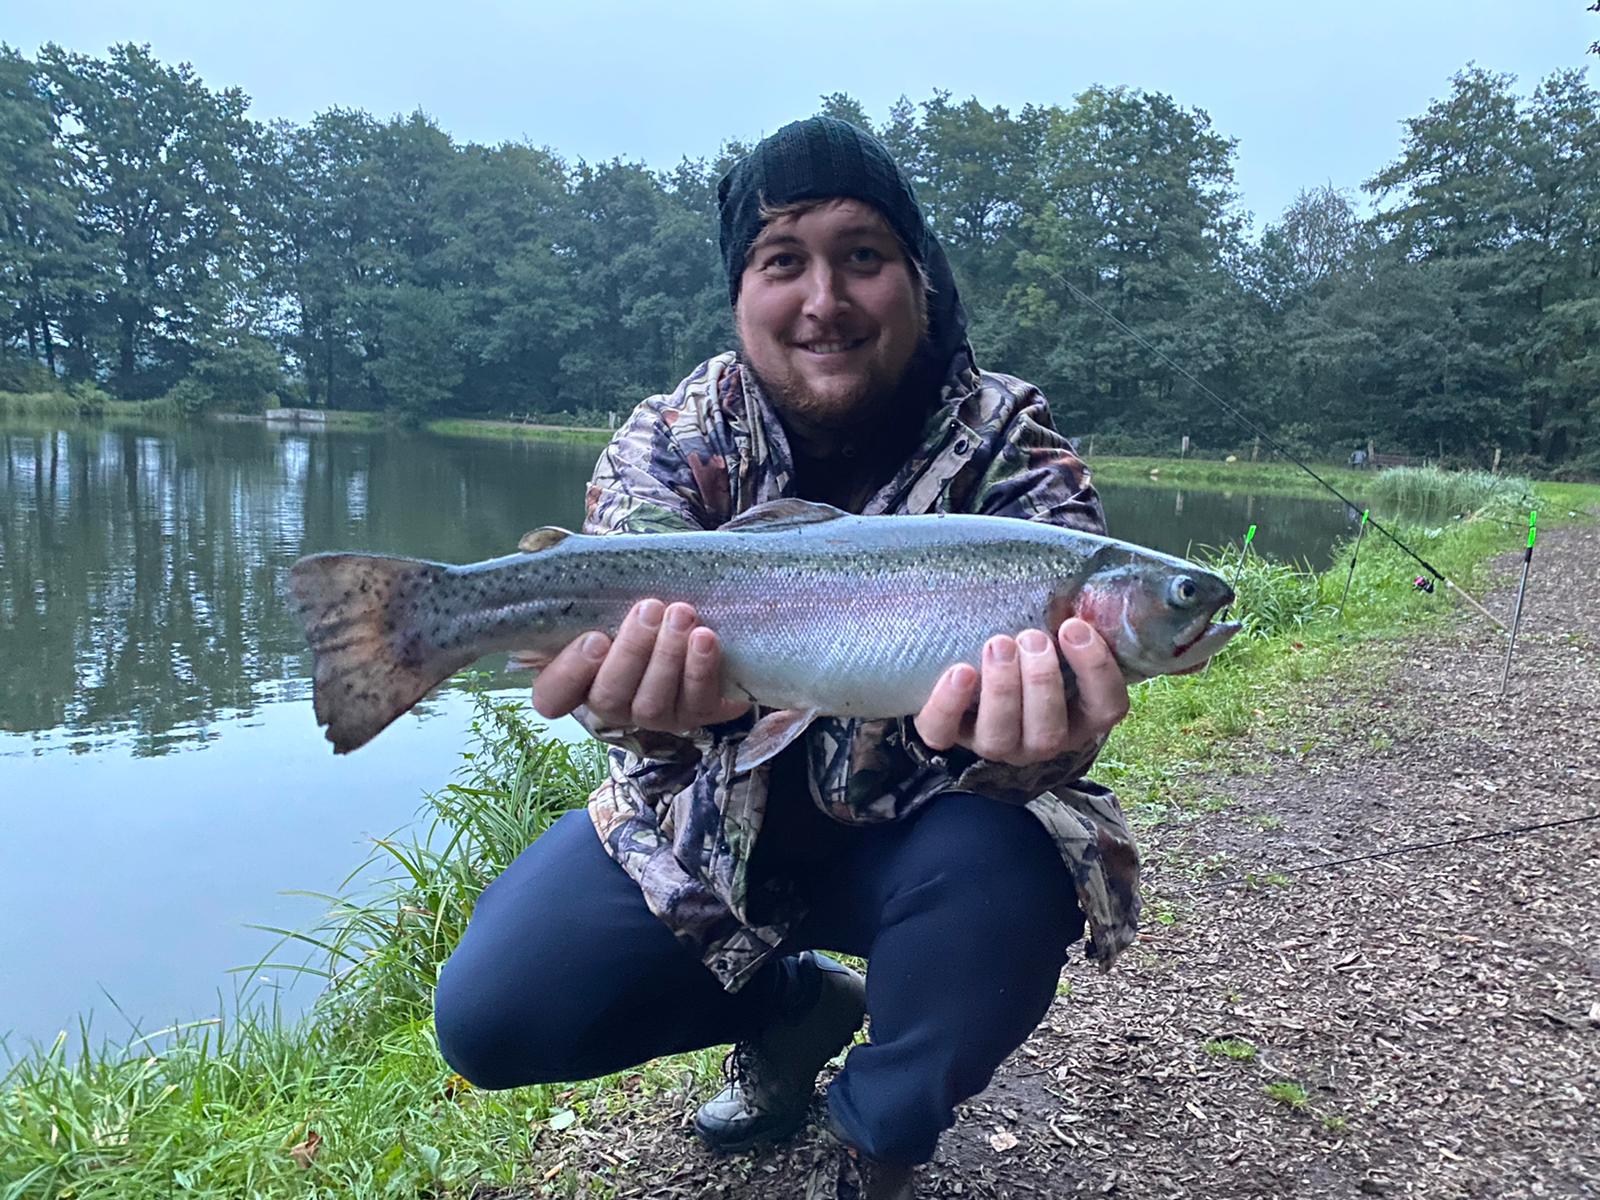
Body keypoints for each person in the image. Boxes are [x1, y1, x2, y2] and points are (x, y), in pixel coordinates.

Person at [434, 116, 1141, 1200]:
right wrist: (628, 705)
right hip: (708, 822)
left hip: (937, 833)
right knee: (491, 1017)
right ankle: (789, 1008)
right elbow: (613, 660)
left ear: (918, 276)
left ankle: (882, 1131)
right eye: (783, 261)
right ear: (740, 291)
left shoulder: (1012, 443)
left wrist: (1050, 740)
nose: (824, 299)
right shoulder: (671, 436)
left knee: (1011, 886)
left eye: (862, 256)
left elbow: (1049, 751)